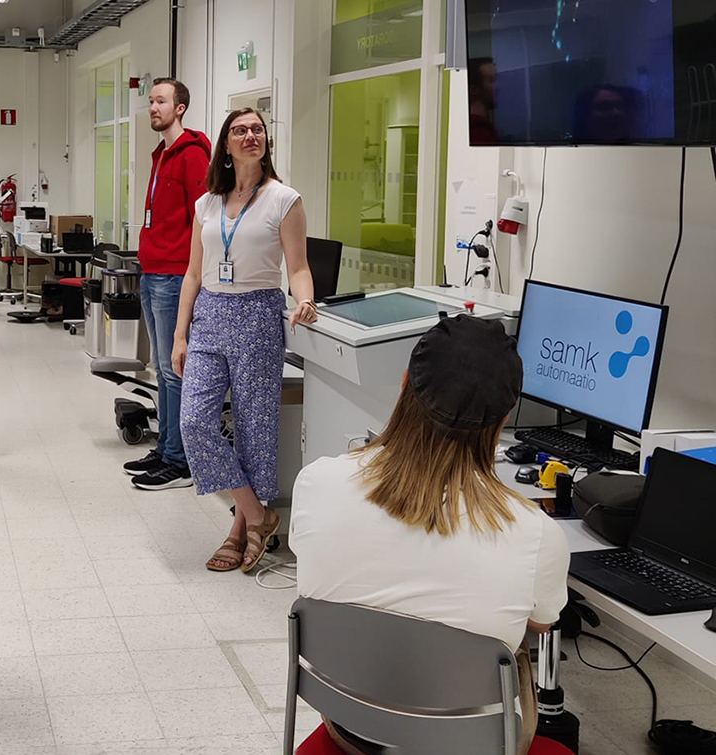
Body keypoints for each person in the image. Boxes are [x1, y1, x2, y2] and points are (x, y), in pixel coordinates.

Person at [290, 314, 569, 755]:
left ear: (405, 383)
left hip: (350, 729)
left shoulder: (317, 482)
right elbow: (542, 623)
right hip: (471, 746)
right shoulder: (535, 533)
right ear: (504, 418)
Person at [173, 108, 316, 573]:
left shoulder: (284, 199)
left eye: (257, 129)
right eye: (240, 130)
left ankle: (240, 531)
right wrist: (180, 334)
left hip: (258, 314)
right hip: (210, 315)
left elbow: (298, 266)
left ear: (266, 141)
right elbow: (193, 273)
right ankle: (259, 514)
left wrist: (305, 300)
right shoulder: (207, 204)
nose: (250, 135)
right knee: (194, 421)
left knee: (255, 429)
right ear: (227, 145)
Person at [124, 77, 212, 492]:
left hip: (176, 274)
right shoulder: (161, 154)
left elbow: (203, 217)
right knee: (161, 368)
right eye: (151, 101)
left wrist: (193, 271)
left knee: (175, 369)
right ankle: (165, 447)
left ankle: (179, 461)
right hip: (153, 270)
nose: (153, 108)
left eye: (161, 101)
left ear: (180, 108)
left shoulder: (192, 154)